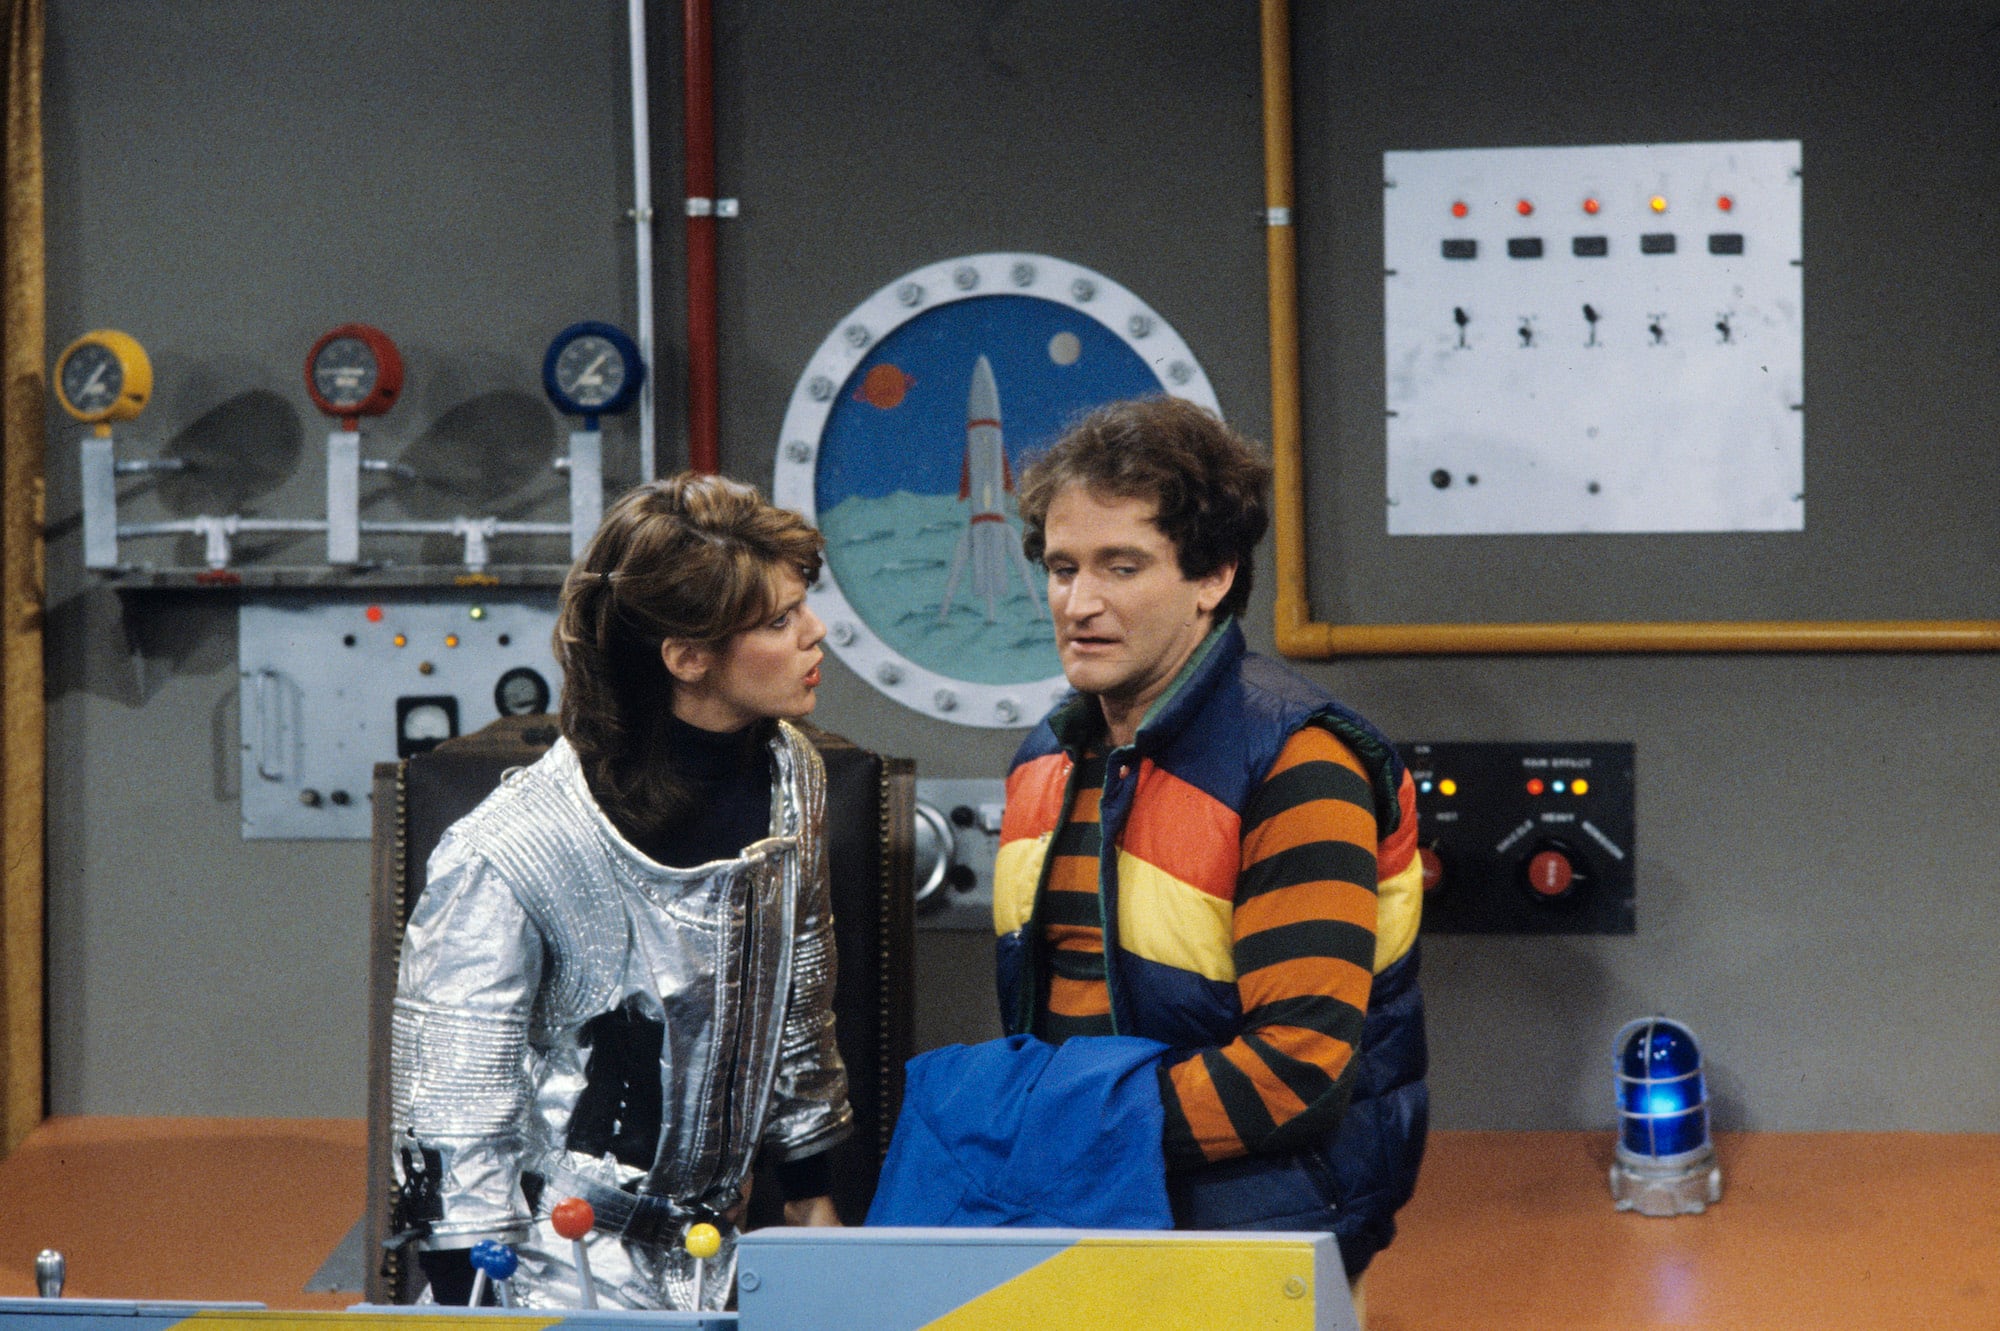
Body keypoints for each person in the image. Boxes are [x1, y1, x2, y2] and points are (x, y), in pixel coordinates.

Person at [993, 397, 1427, 1316]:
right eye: (1063, 567)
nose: (1079, 602)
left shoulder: (1297, 760)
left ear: (1214, 576)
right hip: (1088, 1210)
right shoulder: (1045, 761)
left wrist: (1063, 1125)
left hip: (1257, 1226)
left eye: (1122, 566)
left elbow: (1298, 1065)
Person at [389, 474, 851, 1311]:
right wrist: (470, 1305)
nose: (816, 631)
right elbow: (456, 1110)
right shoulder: (514, 848)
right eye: (780, 619)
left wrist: (811, 1198)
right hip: (553, 1274)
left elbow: (799, 1001)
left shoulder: (794, 776)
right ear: (687, 656)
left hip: (726, 1260)